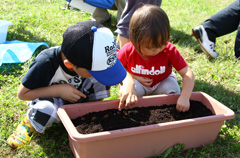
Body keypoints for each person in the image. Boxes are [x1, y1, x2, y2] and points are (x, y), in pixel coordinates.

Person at [7, 20, 127, 149]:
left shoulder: (100, 53)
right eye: (96, 70)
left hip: (80, 98)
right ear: (69, 65)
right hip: (50, 99)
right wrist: (58, 90)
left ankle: (87, 113)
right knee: (46, 110)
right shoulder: (46, 62)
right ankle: (29, 124)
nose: (102, 72)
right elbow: (23, 94)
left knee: (99, 80)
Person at [117, 5, 195, 112]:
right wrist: (130, 79)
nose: (157, 50)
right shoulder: (128, 50)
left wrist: (185, 97)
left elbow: (187, 73)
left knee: (172, 90)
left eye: (162, 44)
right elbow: (116, 68)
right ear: (134, 41)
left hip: (162, 81)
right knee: (130, 93)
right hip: (138, 83)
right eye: (149, 47)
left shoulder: (169, 50)